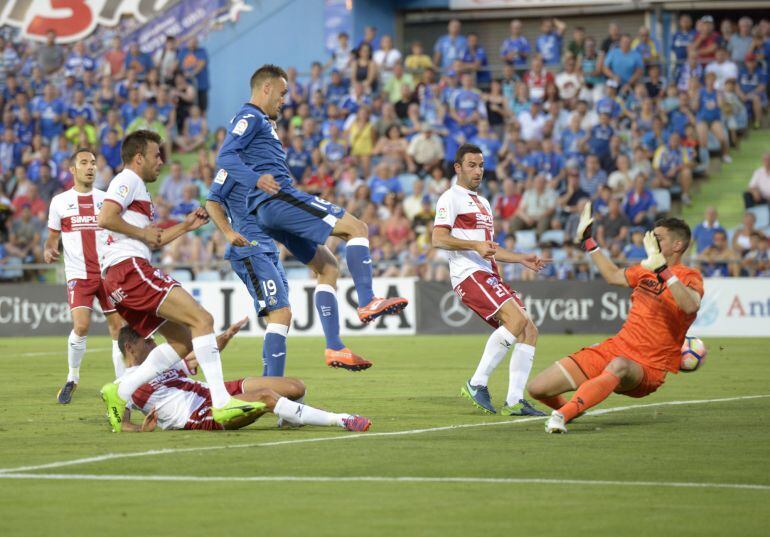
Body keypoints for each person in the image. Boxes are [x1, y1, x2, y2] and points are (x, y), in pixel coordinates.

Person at [217, 65, 408, 327]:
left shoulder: (261, 121)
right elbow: (225, 156)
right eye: (282, 93)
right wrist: (256, 179)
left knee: (328, 266)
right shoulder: (250, 117)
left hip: (268, 212)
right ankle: (367, 300)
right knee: (357, 227)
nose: (284, 100)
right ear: (266, 88)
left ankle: (335, 346)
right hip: (278, 200)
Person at [97, 130, 260, 433]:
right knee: (203, 319)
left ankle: (121, 391)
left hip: (121, 276)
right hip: (129, 268)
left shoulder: (138, 190)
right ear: (138, 157)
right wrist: (142, 234)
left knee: (183, 341)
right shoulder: (127, 180)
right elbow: (106, 217)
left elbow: (155, 238)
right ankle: (222, 402)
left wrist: (185, 226)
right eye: (156, 155)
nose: (161, 161)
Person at [528, 203, 703, 433]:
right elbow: (612, 275)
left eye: (658, 238)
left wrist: (663, 270)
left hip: (648, 366)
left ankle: (562, 416)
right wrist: (589, 241)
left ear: (677, 245)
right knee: (537, 388)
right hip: (617, 347)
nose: (651, 241)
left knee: (619, 366)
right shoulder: (646, 268)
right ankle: (577, 406)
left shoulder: (690, 276)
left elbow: (690, 305)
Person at [432, 144, 547, 416]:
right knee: (517, 321)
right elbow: (438, 238)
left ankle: (515, 401)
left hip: (488, 273)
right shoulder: (451, 197)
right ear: (457, 168)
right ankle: (476, 383)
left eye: (481, 165)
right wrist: (474, 245)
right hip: (468, 275)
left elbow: (488, 247)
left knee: (529, 330)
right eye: (471, 165)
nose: (478, 170)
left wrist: (520, 258)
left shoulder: (483, 203)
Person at [116, 324, 371, 432]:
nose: (153, 343)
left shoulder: (159, 362)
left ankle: (291, 420)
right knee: (267, 398)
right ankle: (341, 420)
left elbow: (195, 359)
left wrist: (224, 337)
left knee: (294, 386)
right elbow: (119, 423)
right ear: (130, 347)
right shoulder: (123, 385)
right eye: (147, 341)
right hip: (200, 415)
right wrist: (140, 429)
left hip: (216, 392)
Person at [44, 148, 126, 404]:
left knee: (119, 329)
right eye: (84, 162)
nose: (90, 166)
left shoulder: (107, 200)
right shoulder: (59, 201)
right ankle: (72, 377)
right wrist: (49, 248)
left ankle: (122, 385)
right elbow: (52, 238)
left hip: (107, 273)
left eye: (93, 162)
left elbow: (119, 232)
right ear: (73, 169)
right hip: (79, 274)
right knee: (81, 326)